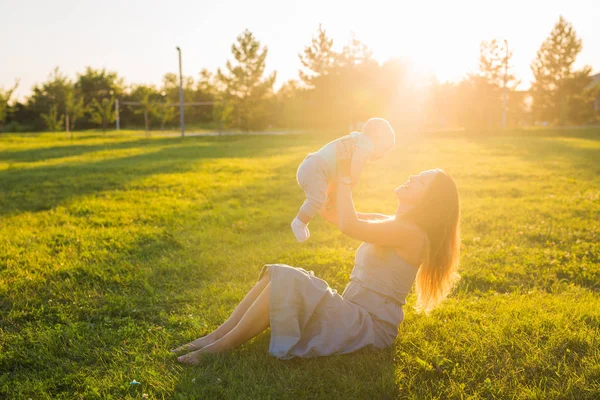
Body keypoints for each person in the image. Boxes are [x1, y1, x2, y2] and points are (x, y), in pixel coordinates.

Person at [172, 141, 460, 364]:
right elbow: (335, 215)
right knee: (279, 274)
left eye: (421, 181)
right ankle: (213, 338)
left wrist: (347, 177)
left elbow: (349, 225)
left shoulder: (411, 234)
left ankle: (218, 350)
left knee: (291, 280)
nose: (412, 177)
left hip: (370, 327)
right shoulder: (391, 222)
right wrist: (324, 177)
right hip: (353, 312)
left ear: (429, 201)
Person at [291, 118, 396, 242]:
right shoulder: (366, 144)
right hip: (315, 168)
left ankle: (303, 221)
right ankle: (299, 223)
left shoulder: (356, 141)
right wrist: (352, 180)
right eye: (384, 150)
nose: (382, 155)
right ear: (376, 137)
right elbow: (357, 163)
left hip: (313, 167)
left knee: (321, 199)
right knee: (317, 199)